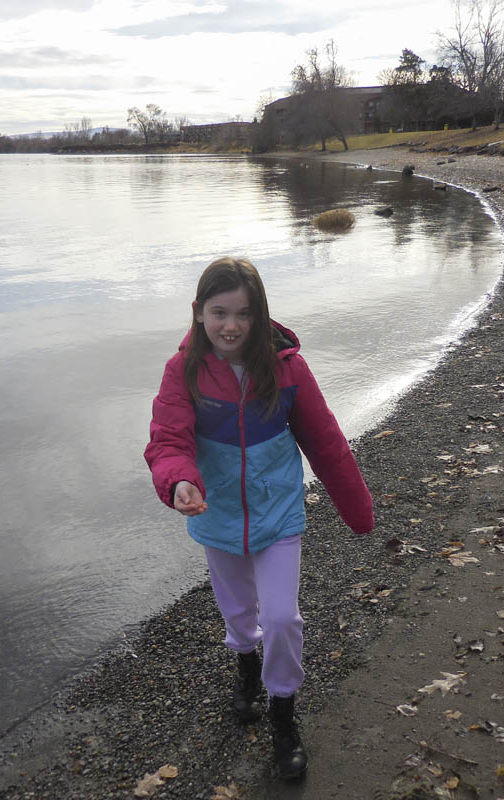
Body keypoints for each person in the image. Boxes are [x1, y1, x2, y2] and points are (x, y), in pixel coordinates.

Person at [144, 256, 374, 781]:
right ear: (198, 312)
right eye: (219, 313)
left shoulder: (287, 368)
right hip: (217, 512)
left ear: (260, 314)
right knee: (237, 612)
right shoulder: (183, 370)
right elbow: (168, 439)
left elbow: (326, 442)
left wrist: (358, 511)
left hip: (278, 512)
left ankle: (283, 714)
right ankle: (246, 664)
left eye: (244, 314)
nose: (231, 326)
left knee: (282, 617)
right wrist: (179, 481)